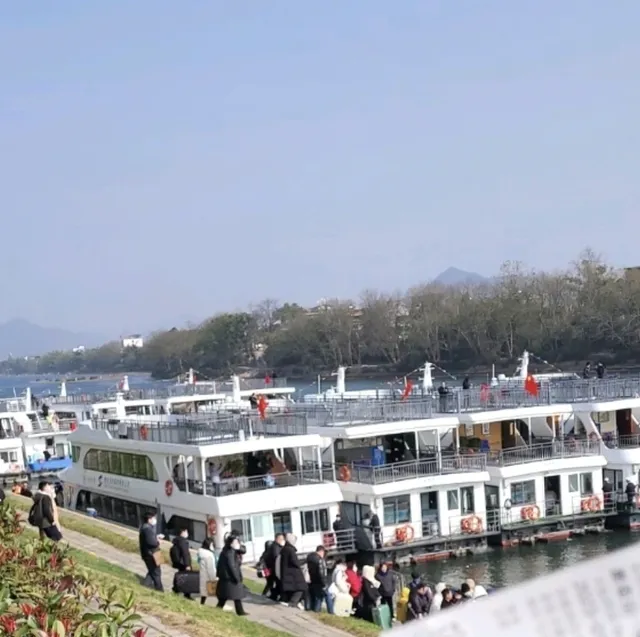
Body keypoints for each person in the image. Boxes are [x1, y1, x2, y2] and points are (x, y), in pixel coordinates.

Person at [216, 534, 247, 615]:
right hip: (230, 578)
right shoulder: (230, 552)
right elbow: (232, 566)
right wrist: (237, 577)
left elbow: (243, 550)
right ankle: (239, 612)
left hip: (227, 578)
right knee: (234, 595)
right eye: (236, 542)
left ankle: (240, 611)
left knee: (232, 596)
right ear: (231, 543)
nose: (238, 544)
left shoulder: (228, 550)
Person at [279, 533, 307, 608]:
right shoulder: (290, 550)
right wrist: (301, 564)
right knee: (300, 588)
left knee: (292, 590)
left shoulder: (284, 549)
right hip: (293, 574)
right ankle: (293, 603)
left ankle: (291, 602)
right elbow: (294, 561)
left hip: (288, 574)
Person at [139, 511, 164, 592]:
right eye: (153, 518)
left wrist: (156, 537)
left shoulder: (147, 528)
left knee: (152, 571)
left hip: (152, 553)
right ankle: (159, 590)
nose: (155, 520)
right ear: (149, 519)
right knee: (156, 572)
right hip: (152, 554)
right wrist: (158, 542)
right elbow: (151, 542)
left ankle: (145, 586)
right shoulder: (147, 529)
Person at [307, 546, 334, 614]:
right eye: (324, 553)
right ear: (321, 551)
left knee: (318, 597)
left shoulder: (310, 558)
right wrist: (324, 583)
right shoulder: (320, 560)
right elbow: (322, 572)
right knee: (327, 595)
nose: (324, 555)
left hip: (314, 580)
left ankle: (317, 611)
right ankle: (331, 612)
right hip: (320, 581)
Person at [170, 528, 192, 598]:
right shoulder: (183, 541)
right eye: (186, 532)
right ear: (183, 532)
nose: (187, 533)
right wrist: (187, 564)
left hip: (179, 562)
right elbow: (185, 553)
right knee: (187, 578)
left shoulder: (176, 540)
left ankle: (176, 589)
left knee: (181, 575)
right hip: (184, 563)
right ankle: (186, 594)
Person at [197, 537, 217, 606]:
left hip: (203, 575)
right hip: (208, 577)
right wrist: (214, 578)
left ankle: (202, 604)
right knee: (216, 592)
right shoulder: (209, 555)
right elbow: (210, 569)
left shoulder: (201, 553)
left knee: (204, 593)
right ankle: (220, 605)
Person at [265, 534, 285, 600]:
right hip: (275, 569)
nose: (282, 541)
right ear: (277, 539)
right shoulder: (275, 547)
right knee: (278, 584)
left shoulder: (276, 546)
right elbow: (276, 558)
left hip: (274, 569)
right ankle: (275, 596)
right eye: (281, 539)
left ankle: (274, 596)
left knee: (276, 584)